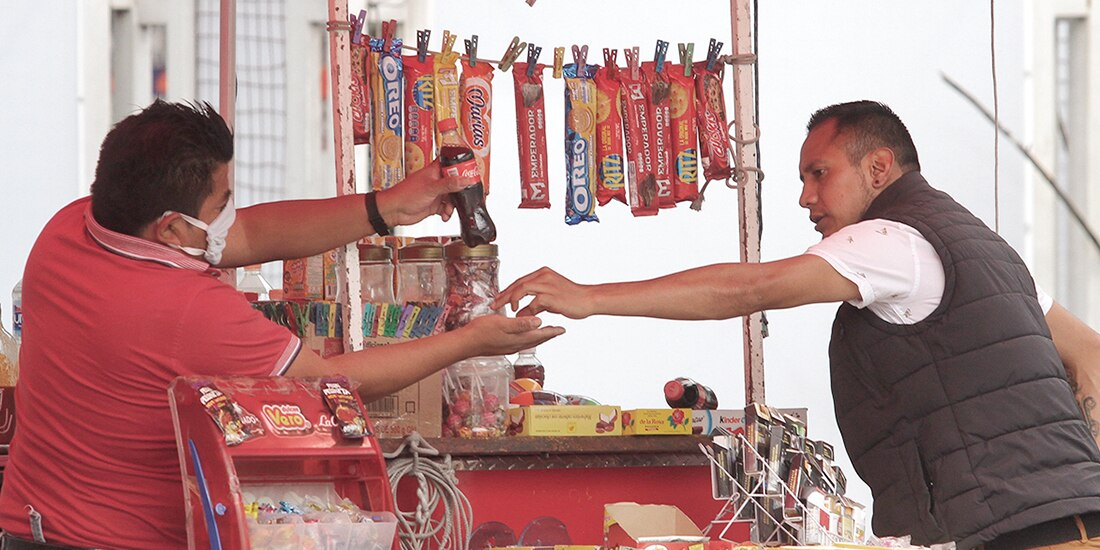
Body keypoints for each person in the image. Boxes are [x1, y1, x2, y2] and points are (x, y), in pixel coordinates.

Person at [495, 100, 1100, 549]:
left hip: (1017, 530)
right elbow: (1091, 353)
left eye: (820, 173)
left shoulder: (891, 239)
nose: (806, 198)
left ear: (879, 168)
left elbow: (753, 288)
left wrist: (590, 297)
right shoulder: (981, 247)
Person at [0, 100, 563, 549]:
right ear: (172, 228)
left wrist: (387, 206)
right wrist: (470, 341)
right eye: (221, 202)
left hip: (25, 525)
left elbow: (243, 236)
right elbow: (339, 385)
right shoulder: (190, 310)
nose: (230, 214)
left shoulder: (71, 226)